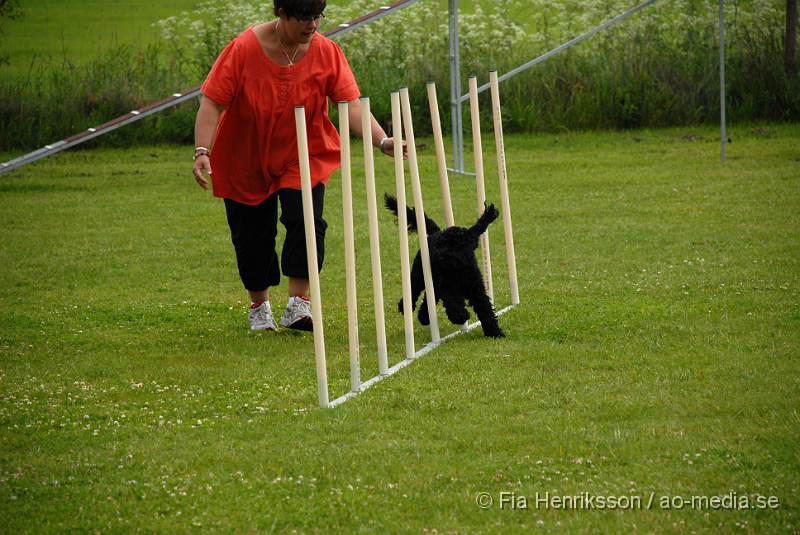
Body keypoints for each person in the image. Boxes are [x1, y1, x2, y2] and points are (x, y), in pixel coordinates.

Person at [192, 0, 400, 332]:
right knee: (252, 234)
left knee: (306, 221)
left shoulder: (327, 52)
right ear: (281, 14)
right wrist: (202, 150)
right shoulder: (243, 49)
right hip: (246, 154)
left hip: (305, 152)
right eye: (304, 18)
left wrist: (382, 141)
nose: (313, 25)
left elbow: (350, 105)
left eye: (318, 17)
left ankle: (298, 304)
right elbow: (213, 102)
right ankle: (259, 306)